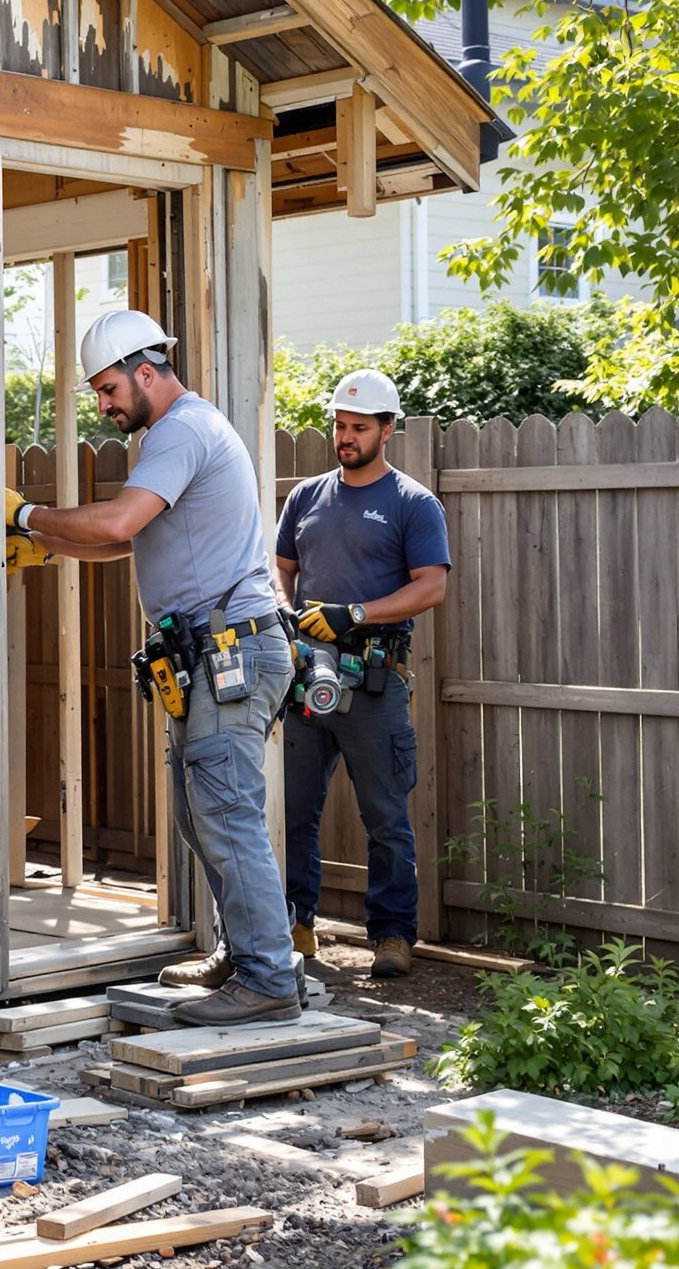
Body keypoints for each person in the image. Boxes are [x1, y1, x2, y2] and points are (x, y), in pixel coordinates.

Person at [10, 309, 300, 1026]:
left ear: (147, 372)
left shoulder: (180, 432)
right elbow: (125, 543)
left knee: (226, 815)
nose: (104, 405)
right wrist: (47, 539)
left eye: (108, 389)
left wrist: (27, 520)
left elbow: (112, 525)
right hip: (212, 655)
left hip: (232, 650)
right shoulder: (178, 437)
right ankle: (245, 952)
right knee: (204, 818)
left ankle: (269, 980)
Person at [274, 370, 449, 980]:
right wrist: (291, 612)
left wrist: (355, 614)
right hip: (307, 677)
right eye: (340, 426)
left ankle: (393, 936)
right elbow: (282, 566)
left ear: (387, 430)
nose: (344, 437)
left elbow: (432, 585)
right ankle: (296, 925)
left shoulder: (411, 502)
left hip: (375, 679)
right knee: (293, 809)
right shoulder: (305, 496)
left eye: (358, 428)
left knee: (385, 815)